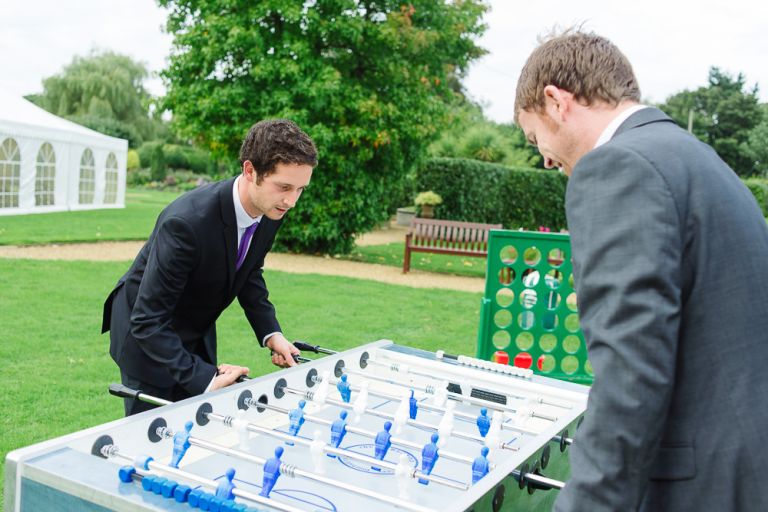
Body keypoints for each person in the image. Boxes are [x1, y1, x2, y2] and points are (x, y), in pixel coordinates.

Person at [514, 30, 768, 511]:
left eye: (535, 137)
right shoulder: (692, 156)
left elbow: (631, 374)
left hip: (704, 485)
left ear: (555, 101)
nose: (546, 159)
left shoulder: (618, 167)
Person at [102, 119, 318, 415]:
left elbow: (249, 271)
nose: (292, 201)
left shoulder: (271, 208)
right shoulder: (186, 223)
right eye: (284, 187)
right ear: (250, 170)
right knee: (150, 445)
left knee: (194, 428)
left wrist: (271, 333)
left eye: (300, 189)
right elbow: (147, 320)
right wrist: (203, 379)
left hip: (194, 329)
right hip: (146, 339)